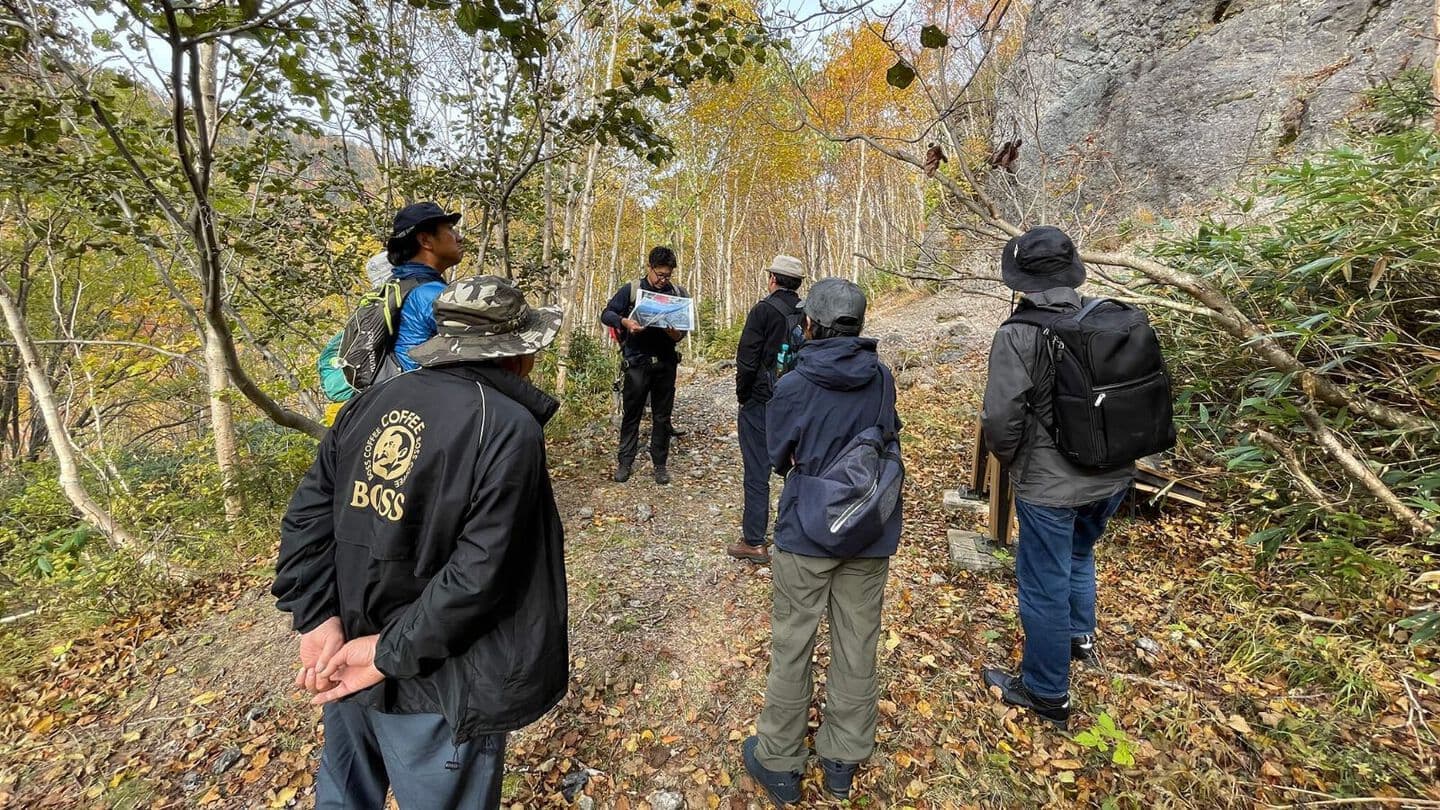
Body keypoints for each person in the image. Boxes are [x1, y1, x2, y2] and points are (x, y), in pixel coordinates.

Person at [272, 275, 568, 809]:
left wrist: (320, 619)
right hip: (442, 684)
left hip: (350, 659)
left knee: (343, 796)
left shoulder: (371, 401)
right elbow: (482, 574)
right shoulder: (507, 426)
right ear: (518, 354)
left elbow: (304, 523)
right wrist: (384, 651)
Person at [741, 278, 902, 805]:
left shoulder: (792, 384)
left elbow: (777, 457)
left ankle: (781, 763)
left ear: (812, 324)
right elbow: (886, 435)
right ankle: (841, 760)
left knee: (793, 645)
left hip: (805, 532)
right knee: (858, 645)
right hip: (868, 532)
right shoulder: (880, 377)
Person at [979, 226, 1134, 729]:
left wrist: (1014, 460)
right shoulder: (1108, 319)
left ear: (1021, 280)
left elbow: (1001, 420)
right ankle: (1078, 636)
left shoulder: (1019, 333)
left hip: (1051, 484)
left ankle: (1046, 690)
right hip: (1112, 473)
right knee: (1079, 552)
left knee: (1043, 577)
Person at [729, 255, 806, 564]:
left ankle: (754, 541)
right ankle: (794, 536)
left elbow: (747, 360)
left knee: (757, 470)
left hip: (762, 402)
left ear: (773, 279)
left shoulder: (763, 310)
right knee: (797, 467)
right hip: (799, 402)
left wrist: (743, 396)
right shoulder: (807, 313)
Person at [600, 246, 688, 485]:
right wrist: (625, 322)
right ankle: (625, 462)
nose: (663, 280)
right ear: (649, 268)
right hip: (637, 362)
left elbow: (682, 334)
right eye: (659, 274)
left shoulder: (677, 293)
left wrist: (675, 333)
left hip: (666, 364)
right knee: (632, 414)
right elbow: (606, 314)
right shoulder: (632, 290)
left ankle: (660, 463)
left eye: (667, 275)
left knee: (662, 416)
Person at [384, 201, 465, 375]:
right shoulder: (430, 295)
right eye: (450, 229)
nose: (459, 237)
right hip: (422, 393)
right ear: (425, 240)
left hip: (399, 391)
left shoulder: (397, 285)